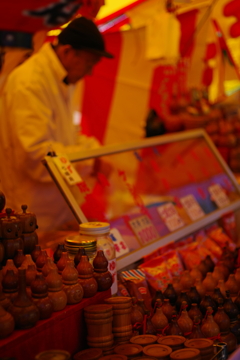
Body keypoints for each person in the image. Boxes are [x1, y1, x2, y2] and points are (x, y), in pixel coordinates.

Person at [0, 17, 113, 233]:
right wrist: (91, 161)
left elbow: (69, 135)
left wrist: (96, 151)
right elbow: (36, 156)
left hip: (59, 208)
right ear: (67, 51)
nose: (89, 72)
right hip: (32, 214)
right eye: (89, 64)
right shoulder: (30, 81)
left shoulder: (62, 79)